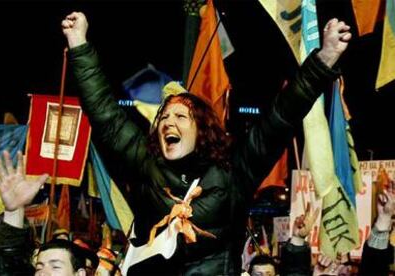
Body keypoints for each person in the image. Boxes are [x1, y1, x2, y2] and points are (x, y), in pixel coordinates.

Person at [62, 11, 352, 275]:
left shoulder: (234, 170)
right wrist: (79, 45)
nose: (167, 122)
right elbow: (105, 114)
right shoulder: (145, 162)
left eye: (180, 116)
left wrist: (324, 59)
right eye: (163, 117)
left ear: (201, 129)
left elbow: (281, 117)